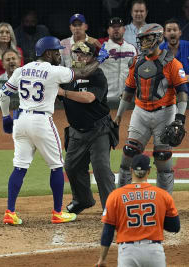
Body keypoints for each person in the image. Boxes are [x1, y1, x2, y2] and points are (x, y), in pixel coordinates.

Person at [0, 36, 110, 225]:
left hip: (21, 120)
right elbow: (83, 73)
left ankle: (10, 212)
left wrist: (5, 117)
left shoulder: (21, 70)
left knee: (19, 166)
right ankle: (57, 212)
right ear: (48, 53)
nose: (59, 54)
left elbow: (2, 95)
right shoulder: (55, 71)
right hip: (41, 121)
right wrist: (99, 60)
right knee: (56, 166)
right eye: (57, 51)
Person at [114, 23, 189, 195]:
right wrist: (118, 116)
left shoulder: (173, 64)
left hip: (165, 113)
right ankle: (121, 198)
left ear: (159, 39)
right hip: (140, 112)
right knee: (129, 153)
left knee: (163, 158)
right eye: (142, 40)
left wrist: (179, 118)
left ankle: (165, 202)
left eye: (148, 39)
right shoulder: (136, 63)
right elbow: (128, 91)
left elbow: (183, 93)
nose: (145, 44)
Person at [58, 41, 117, 215]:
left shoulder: (97, 75)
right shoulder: (66, 75)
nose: (79, 57)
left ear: (92, 57)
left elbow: (89, 97)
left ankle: (111, 208)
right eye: (76, 53)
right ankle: (82, 200)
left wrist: (64, 93)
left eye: (84, 54)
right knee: (71, 167)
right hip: (77, 131)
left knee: (101, 168)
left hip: (99, 130)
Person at [95, 153, 180, 267]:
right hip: (154, 252)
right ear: (149, 171)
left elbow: (108, 231)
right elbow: (174, 227)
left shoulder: (115, 196)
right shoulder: (163, 196)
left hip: (128, 253)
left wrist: (102, 259)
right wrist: (157, 218)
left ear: (131, 170)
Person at [98, 17, 137, 100]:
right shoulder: (101, 46)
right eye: (113, 27)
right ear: (108, 30)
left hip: (127, 97)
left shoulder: (132, 48)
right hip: (106, 96)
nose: (116, 29)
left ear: (124, 29)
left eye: (118, 27)